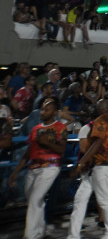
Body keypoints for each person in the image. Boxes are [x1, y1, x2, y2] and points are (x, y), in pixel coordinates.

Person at [7, 96, 67, 239]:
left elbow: (61, 150)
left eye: (47, 109)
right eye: (43, 109)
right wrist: (15, 172)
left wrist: (47, 142)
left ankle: (30, 235)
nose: (43, 111)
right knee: (34, 200)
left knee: (35, 199)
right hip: (33, 167)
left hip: (50, 166)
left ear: (54, 113)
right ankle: (40, 230)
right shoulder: (35, 129)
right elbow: (28, 152)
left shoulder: (60, 128)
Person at [66, 99, 108, 239]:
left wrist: (79, 165)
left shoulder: (101, 123)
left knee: (104, 199)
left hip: (99, 166)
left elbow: (92, 146)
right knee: (80, 199)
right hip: (95, 168)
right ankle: (73, 235)